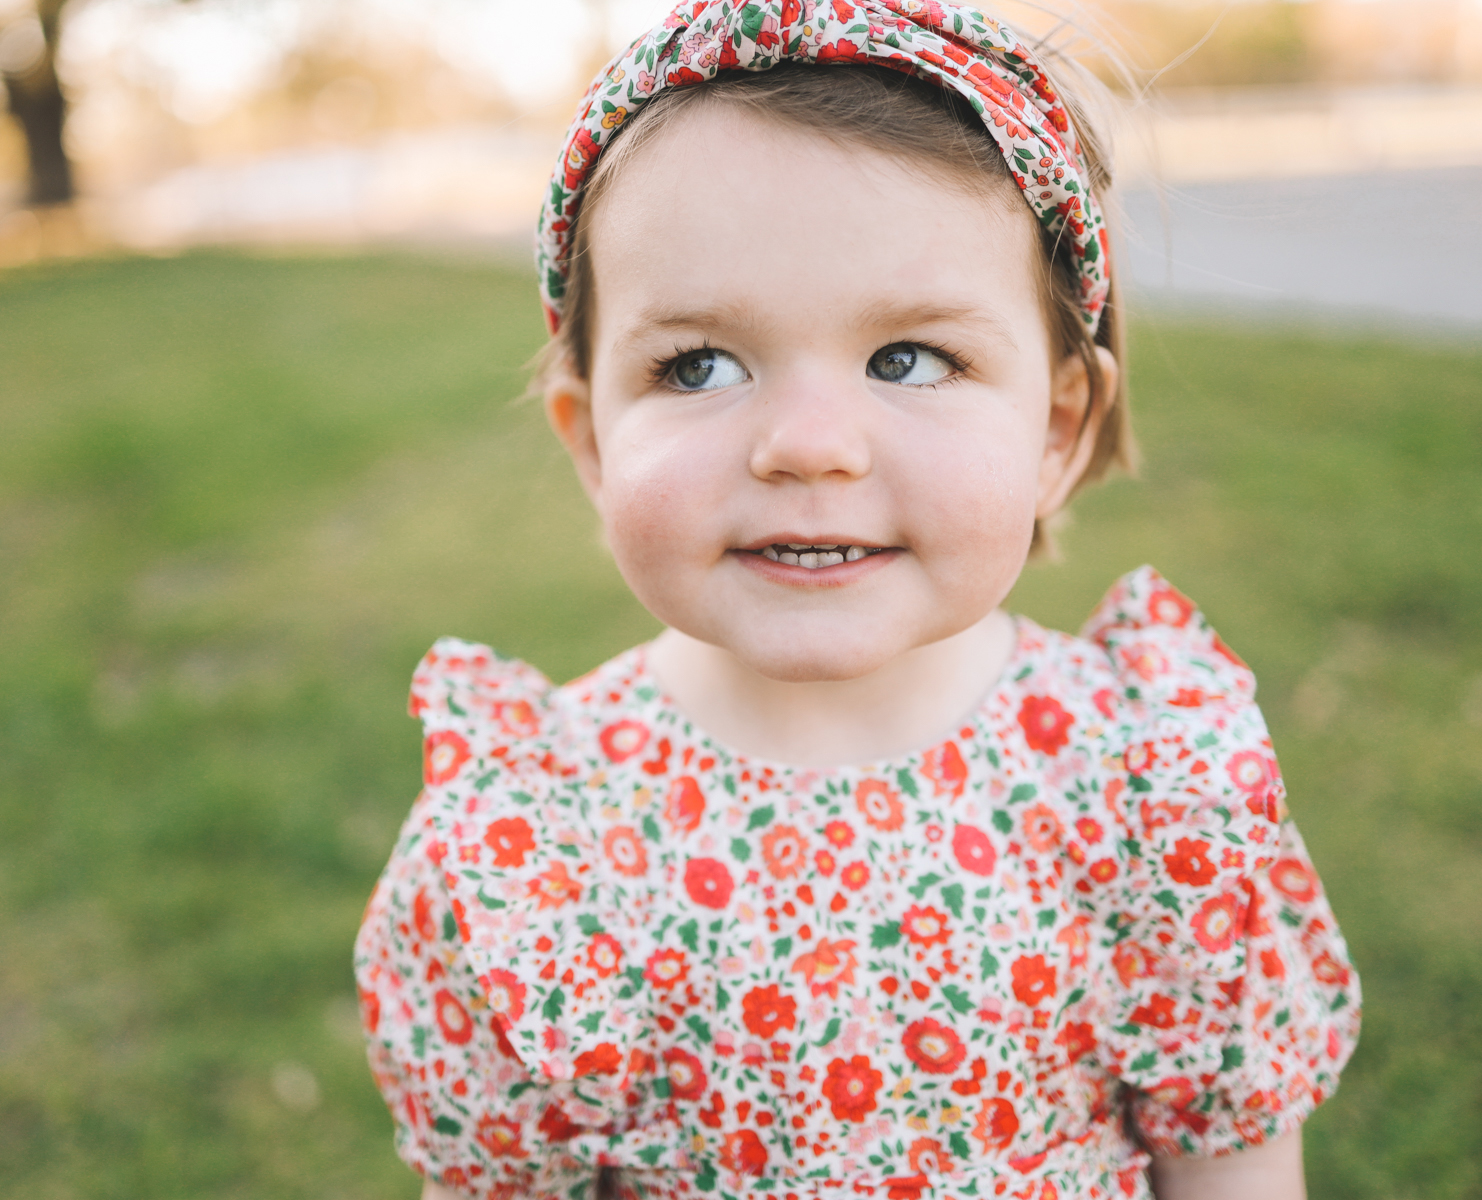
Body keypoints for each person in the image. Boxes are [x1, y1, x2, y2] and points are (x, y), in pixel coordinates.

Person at [354, 3, 1360, 1198]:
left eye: (909, 359)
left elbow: (1231, 1167)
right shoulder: (539, 848)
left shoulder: (1148, 786)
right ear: (593, 443)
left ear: (1052, 431)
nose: (809, 447)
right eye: (698, 365)